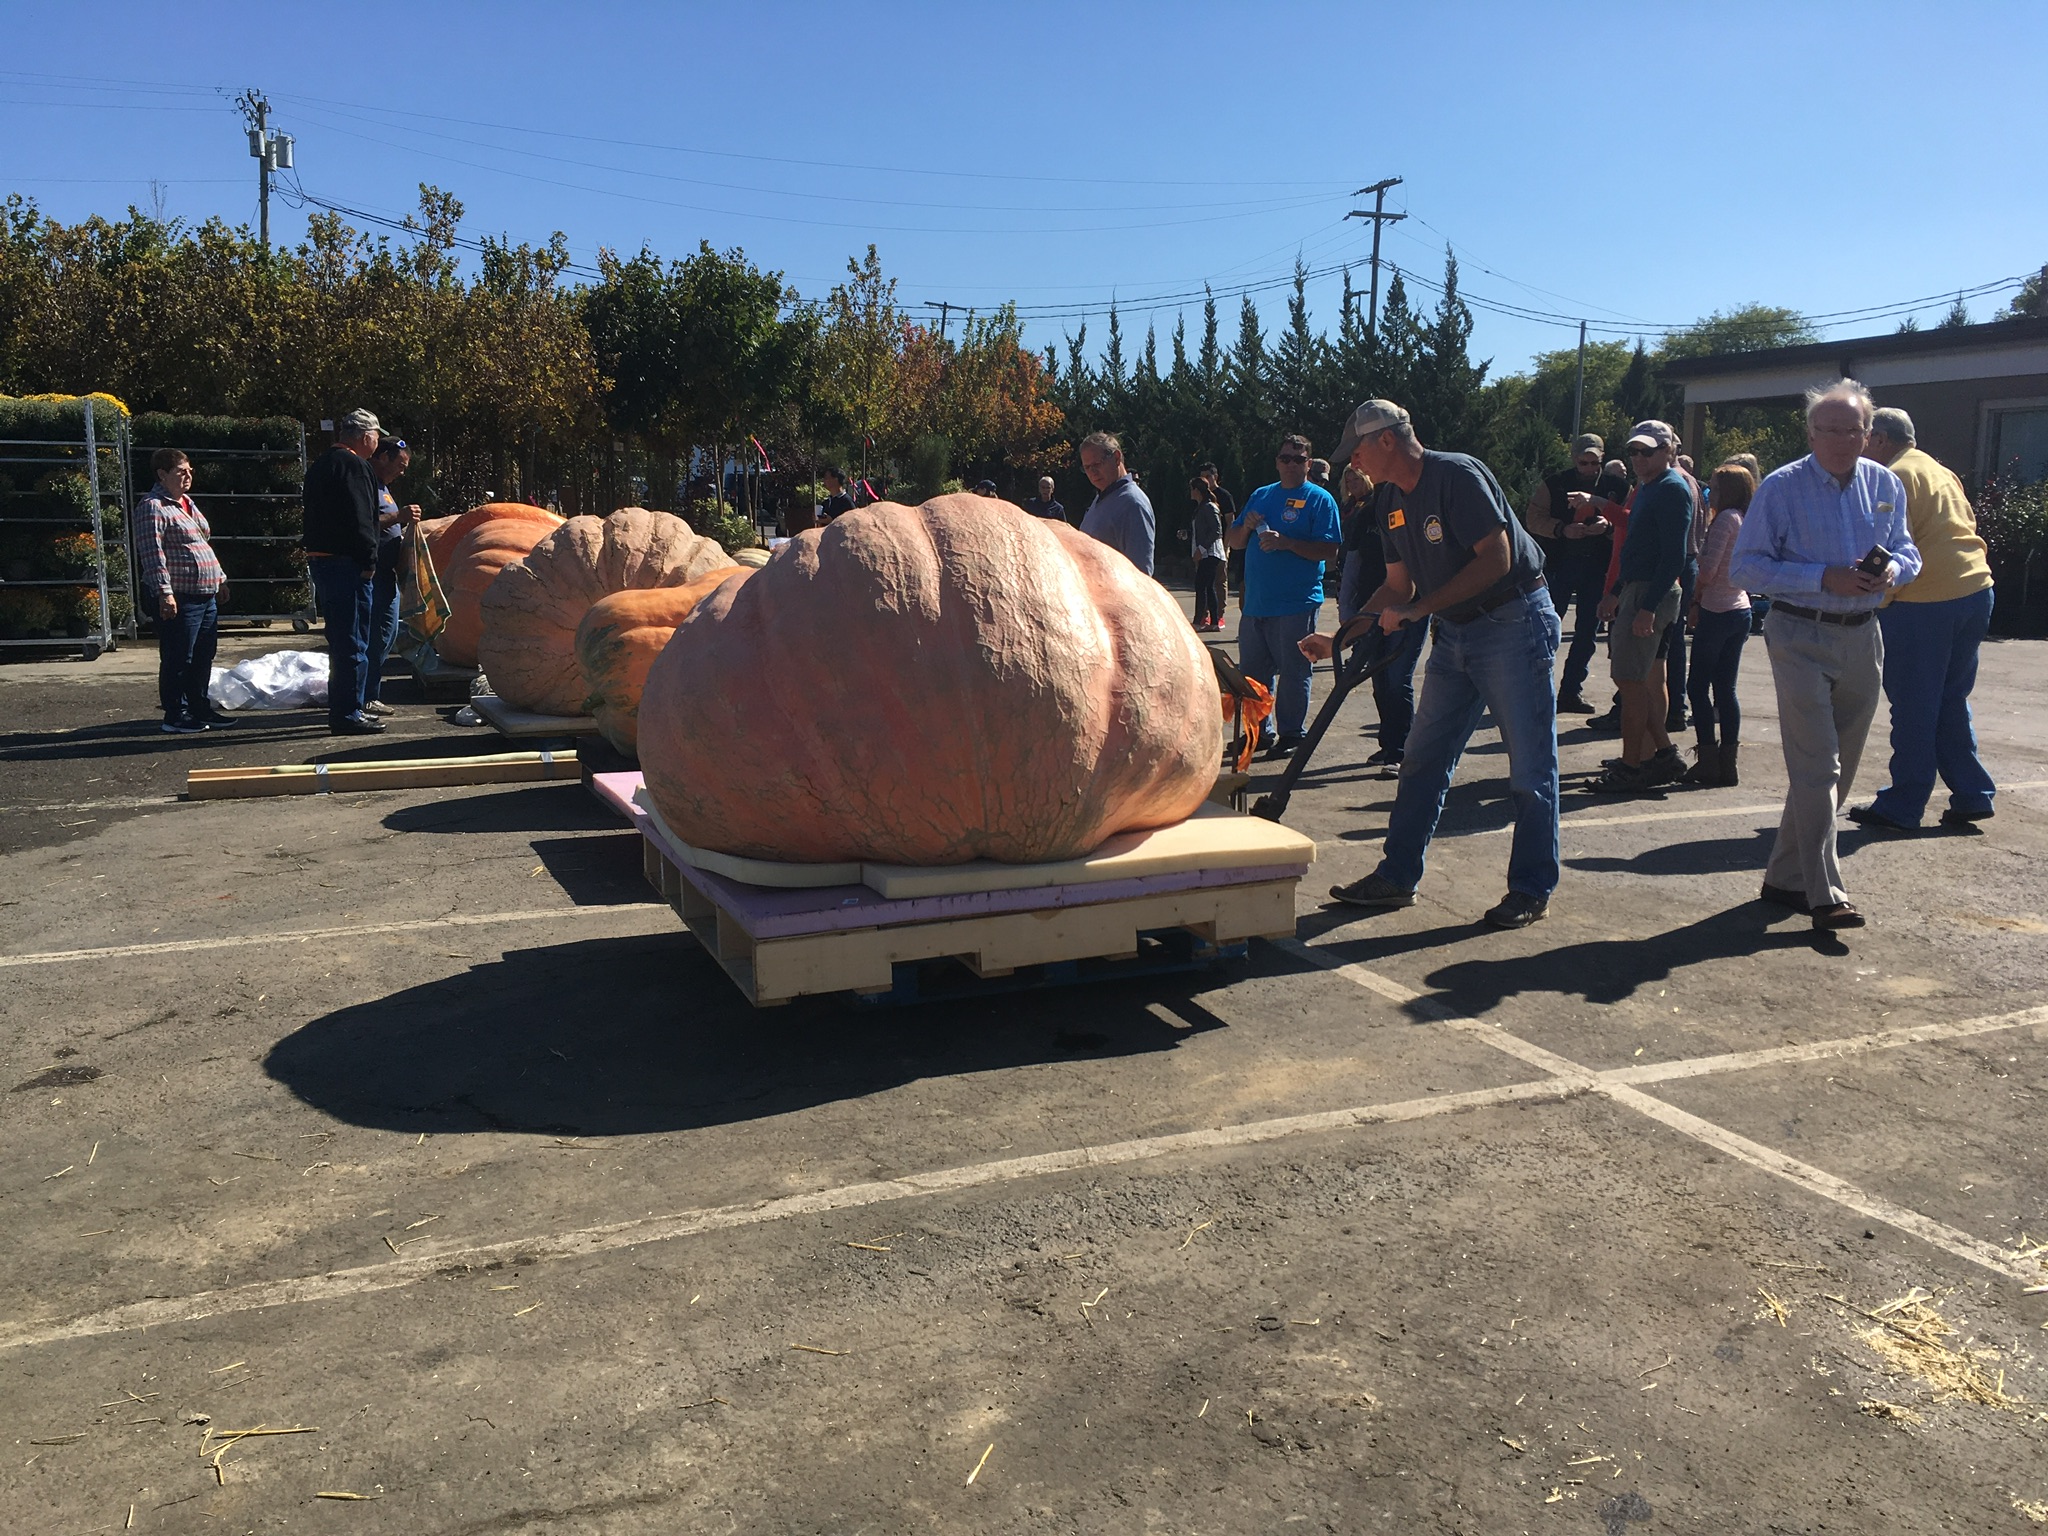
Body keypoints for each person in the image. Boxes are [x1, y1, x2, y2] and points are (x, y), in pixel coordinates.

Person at [1300, 399, 1560, 929]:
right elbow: (1397, 585)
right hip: (1456, 629)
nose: (1355, 464)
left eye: (1358, 452)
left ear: (1387, 441)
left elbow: (1498, 557)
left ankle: (1531, 887)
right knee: (1422, 759)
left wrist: (1418, 611)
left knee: (1530, 769)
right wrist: (1340, 640)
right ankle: (1397, 876)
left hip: (1513, 622)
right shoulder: (1389, 500)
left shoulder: (1456, 475)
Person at [1729, 379, 1920, 931]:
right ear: (1810, 431)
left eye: (1852, 429)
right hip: (1800, 633)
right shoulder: (1782, 488)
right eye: (1828, 429)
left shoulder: (1885, 483)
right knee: (1819, 766)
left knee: (1841, 769)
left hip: (1863, 634)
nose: (1840, 439)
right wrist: (1822, 577)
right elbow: (1746, 567)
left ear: (1869, 433)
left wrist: (1892, 571)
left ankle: (1784, 879)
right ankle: (1825, 892)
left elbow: (1907, 548)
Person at [1849, 407, 1997, 831]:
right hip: (1974, 590)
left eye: (1862, 436)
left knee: (1915, 703)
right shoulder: (1938, 470)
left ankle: (1903, 803)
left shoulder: (1891, 477)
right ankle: (1971, 793)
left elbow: (1884, 547)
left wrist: (1875, 598)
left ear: (1878, 439)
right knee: (1950, 698)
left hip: (1926, 600)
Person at [1587, 421, 1693, 792]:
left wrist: (1647, 607)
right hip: (1637, 588)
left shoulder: (1671, 489)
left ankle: (1635, 765)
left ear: (1668, 451)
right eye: (1634, 451)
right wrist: (1615, 591)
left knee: (1631, 682)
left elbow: (1673, 556)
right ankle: (1659, 754)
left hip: (1652, 592)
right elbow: (1636, 547)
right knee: (1638, 680)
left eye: (1647, 451)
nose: (1638, 458)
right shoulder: (1648, 488)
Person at [1226, 434, 1343, 756]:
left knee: (1294, 672)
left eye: (1298, 458)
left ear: (1308, 463)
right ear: (1277, 462)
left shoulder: (1320, 499)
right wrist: (1247, 527)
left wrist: (1288, 542)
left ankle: (1292, 733)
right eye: (1285, 458)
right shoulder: (1261, 495)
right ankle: (1258, 733)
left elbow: (1330, 550)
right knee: (1252, 673)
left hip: (1296, 602)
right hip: (1256, 604)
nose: (1291, 464)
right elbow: (1234, 541)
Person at [1522, 433, 1624, 712]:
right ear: (1573, 459)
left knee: (1587, 633)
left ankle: (1570, 692)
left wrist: (1609, 525)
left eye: (1594, 462)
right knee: (1545, 631)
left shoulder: (1616, 485)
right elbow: (1533, 517)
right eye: (1583, 462)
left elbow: (1630, 520)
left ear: (1602, 458)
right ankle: (1533, 690)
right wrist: (1561, 529)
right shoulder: (1554, 484)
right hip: (1560, 566)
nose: (1589, 468)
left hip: (1598, 568)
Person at [134, 448, 231, 734]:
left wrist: (220, 579)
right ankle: (175, 713)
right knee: (179, 657)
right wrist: (165, 593)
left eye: (189, 470)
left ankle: (200, 707)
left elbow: (202, 544)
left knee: (203, 655)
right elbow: (152, 553)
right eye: (180, 471)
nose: (187, 476)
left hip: (205, 594)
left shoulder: (186, 502)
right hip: (180, 595)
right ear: (162, 475)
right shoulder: (153, 506)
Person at [303, 408, 387, 736]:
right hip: (346, 564)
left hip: (323, 560)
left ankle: (346, 707)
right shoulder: (354, 466)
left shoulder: (321, 465)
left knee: (340, 639)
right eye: (376, 437)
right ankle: (349, 711)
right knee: (353, 641)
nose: (377, 443)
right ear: (366, 437)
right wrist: (369, 562)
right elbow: (361, 519)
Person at [1337, 463, 1423, 776]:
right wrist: (1348, 613)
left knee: (1398, 679)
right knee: (1379, 679)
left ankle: (1402, 751)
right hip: (1370, 609)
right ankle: (1388, 744)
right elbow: (1352, 566)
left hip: (1409, 610)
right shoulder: (1364, 516)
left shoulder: (1413, 514)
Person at [1678, 464, 1755, 786]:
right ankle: (1728, 762)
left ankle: (1708, 756)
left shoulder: (1724, 520)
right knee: (1726, 688)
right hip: (1740, 607)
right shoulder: (1744, 519)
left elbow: (1707, 571)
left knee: (1697, 685)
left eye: (1715, 488)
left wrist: (1694, 598)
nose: (1710, 493)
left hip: (1717, 610)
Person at [363, 436, 421, 717]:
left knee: (387, 634)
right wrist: (399, 517)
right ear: (382, 456)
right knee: (373, 636)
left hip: (386, 575)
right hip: (371, 575)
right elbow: (362, 525)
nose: (402, 471)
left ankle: (369, 693)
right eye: (399, 464)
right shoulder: (365, 485)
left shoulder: (384, 488)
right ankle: (364, 697)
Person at [1077, 431, 1155, 574]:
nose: (1092, 472)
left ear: (1116, 458)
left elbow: (1140, 573)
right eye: (1087, 467)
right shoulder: (1102, 498)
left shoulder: (1132, 503)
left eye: (1097, 464)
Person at [1188, 476, 1226, 631]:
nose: (1190, 493)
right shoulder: (1201, 507)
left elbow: (1217, 531)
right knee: (1207, 586)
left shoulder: (1209, 507)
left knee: (1202, 585)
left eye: (1192, 489)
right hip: (1204, 553)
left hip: (1210, 553)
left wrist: (1202, 549)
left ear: (1197, 490)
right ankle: (1213, 621)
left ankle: (1200, 621)